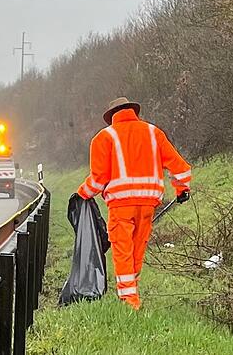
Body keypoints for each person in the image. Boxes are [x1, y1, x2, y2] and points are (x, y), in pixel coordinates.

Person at [76, 97, 191, 310]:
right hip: (148, 203)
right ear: (133, 112)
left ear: (112, 116)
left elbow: (99, 179)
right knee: (137, 248)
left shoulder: (104, 137)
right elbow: (180, 167)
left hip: (121, 205)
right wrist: (182, 189)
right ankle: (132, 293)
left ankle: (129, 301)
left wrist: (82, 194)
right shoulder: (153, 133)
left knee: (123, 250)